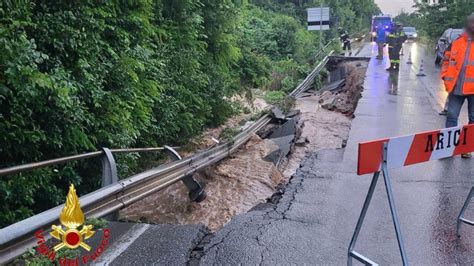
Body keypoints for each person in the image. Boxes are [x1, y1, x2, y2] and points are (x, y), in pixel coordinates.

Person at [441, 13, 474, 158]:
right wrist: (445, 77)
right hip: (456, 88)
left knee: (473, 120)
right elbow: (446, 60)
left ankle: (466, 148)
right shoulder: (457, 41)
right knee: (451, 116)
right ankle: (448, 148)